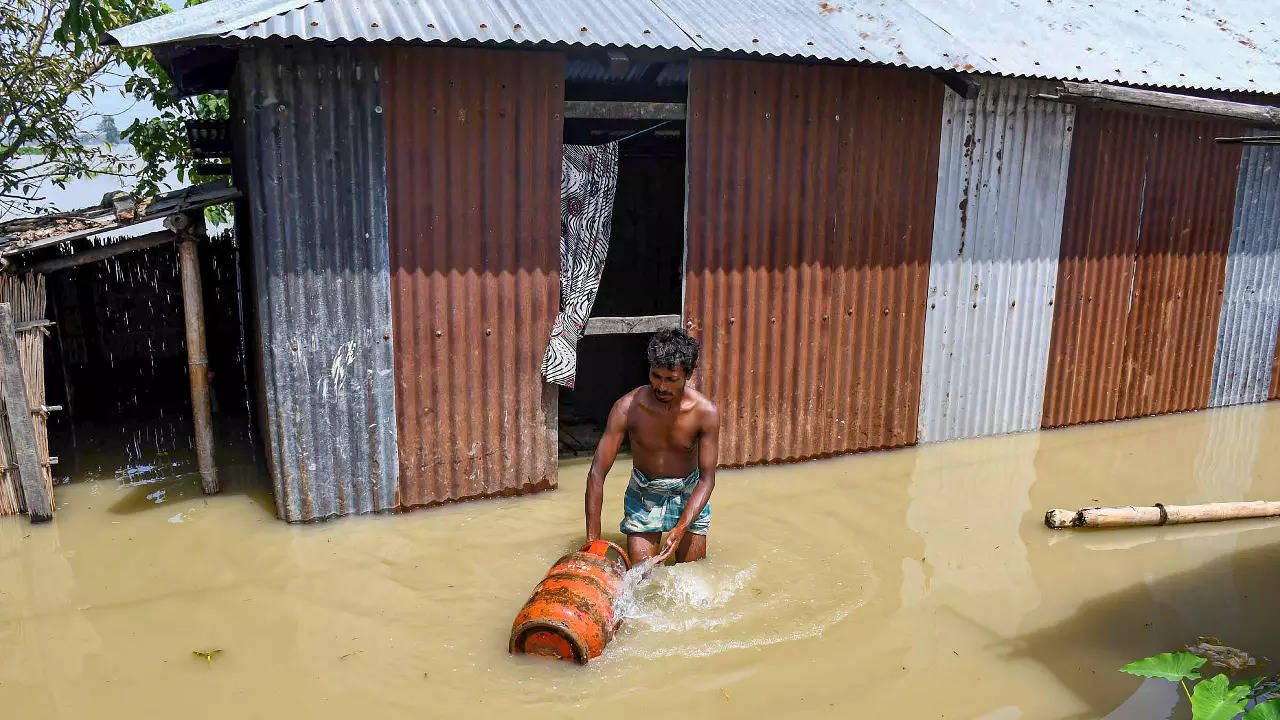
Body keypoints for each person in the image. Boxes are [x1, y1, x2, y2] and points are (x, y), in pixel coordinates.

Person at [584, 329, 719, 564]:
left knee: (692, 576)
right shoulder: (627, 408)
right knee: (641, 579)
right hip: (644, 493)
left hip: (688, 492)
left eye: (671, 379)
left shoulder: (705, 413)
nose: (662, 387)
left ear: (688, 374)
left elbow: (707, 479)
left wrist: (680, 529)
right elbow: (597, 474)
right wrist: (592, 543)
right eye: (656, 376)